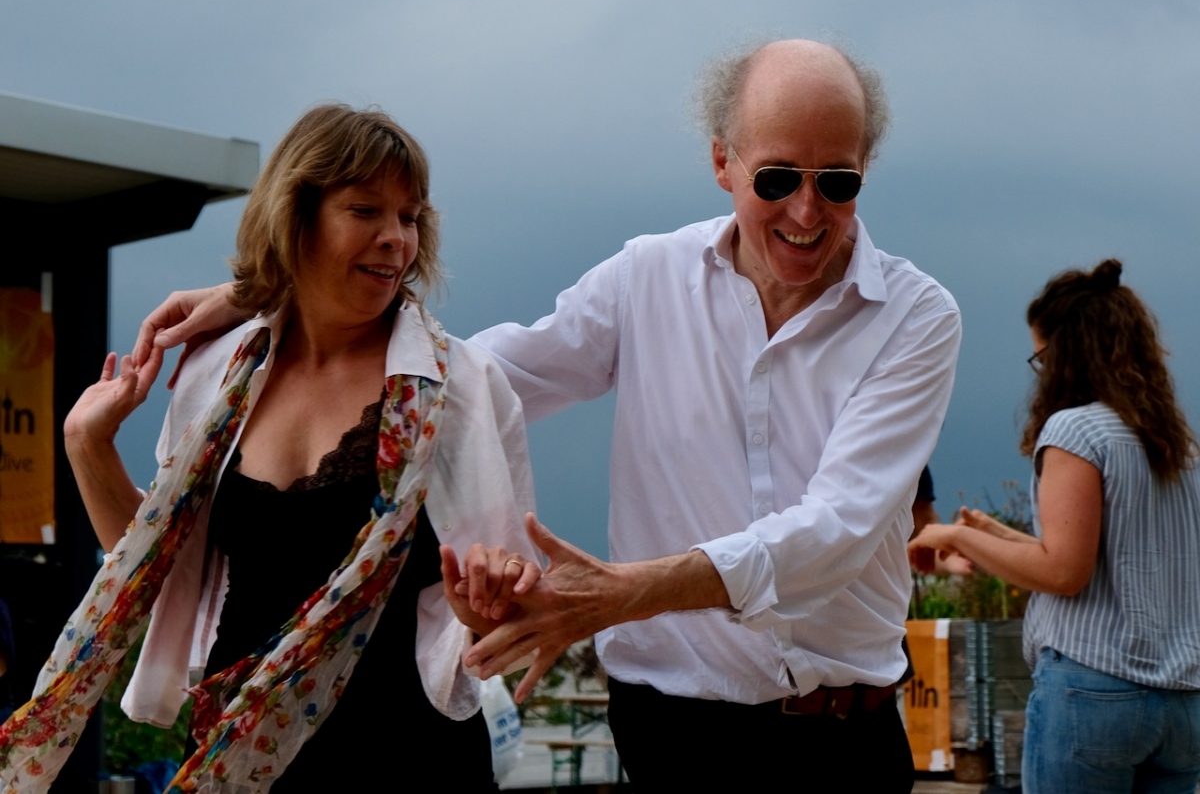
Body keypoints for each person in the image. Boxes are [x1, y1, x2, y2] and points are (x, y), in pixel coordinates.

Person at [132, 40, 961, 791]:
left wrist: (624, 594)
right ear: (722, 161)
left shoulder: (917, 317)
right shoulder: (647, 277)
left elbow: (837, 532)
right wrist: (285, 292)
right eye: (778, 179)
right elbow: (472, 378)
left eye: (837, 182)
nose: (807, 211)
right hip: (670, 734)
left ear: (865, 170)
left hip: (843, 742)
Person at [0, 105, 539, 793]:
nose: (394, 239)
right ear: (296, 215)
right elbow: (164, 573)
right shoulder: (217, 372)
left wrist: (488, 607)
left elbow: (515, 609)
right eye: (365, 210)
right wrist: (87, 444)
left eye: (409, 217)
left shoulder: (461, 385)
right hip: (240, 753)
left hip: (407, 750)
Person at [909, 259, 1200, 794]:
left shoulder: (1074, 430)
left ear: (1066, 353)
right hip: (1183, 703)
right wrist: (998, 537)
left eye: (1041, 357)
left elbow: (1065, 573)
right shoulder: (1177, 446)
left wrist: (954, 535)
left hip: (1095, 691)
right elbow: (1100, 559)